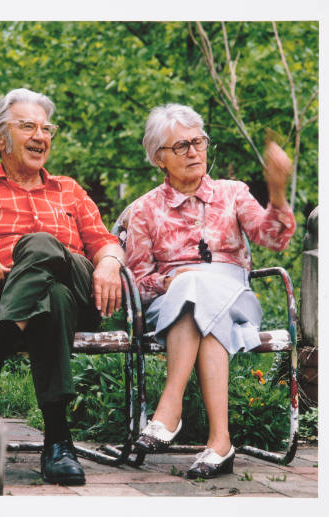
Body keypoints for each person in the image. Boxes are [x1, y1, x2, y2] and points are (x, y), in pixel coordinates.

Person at [0, 88, 125, 486]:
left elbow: (105, 241)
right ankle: (58, 442)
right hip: (11, 297)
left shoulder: (69, 189)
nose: (41, 136)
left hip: (79, 282)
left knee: (40, 243)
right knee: (49, 297)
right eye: (27, 126)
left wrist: (109, 264)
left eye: (45, 128)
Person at [125, 103, 295, 479]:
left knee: (199, 285)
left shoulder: (232, 193)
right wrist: (169, 281)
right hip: (172, 305)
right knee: (194, 292)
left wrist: (278, 191)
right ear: (159, 159)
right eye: (181, 146)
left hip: (235, 297)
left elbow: (272, 238)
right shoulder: (143, 211)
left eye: (198, 142)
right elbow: (137, 282)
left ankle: (169, 409)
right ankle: (220, 443)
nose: (193, 152)